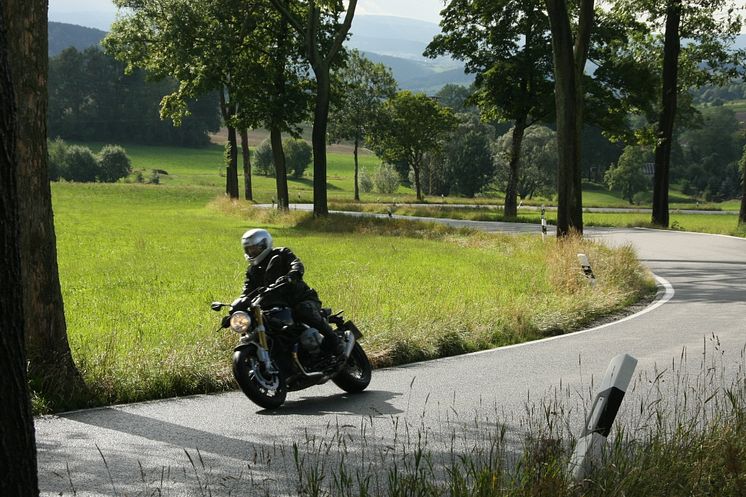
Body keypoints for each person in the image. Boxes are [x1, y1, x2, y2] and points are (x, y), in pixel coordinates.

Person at [239, 228, 342, 355]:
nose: (251, 252)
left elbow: (296, 264)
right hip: (275, 307)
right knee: (259, 324)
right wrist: (238, 304)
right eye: (248, 249)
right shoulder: (252, 270)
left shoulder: (282, 254)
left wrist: (292, 275)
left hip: (299, 298)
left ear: (264, 244)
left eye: (254, 248)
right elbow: (247, 291)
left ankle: (334, 340)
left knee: (303, 310)